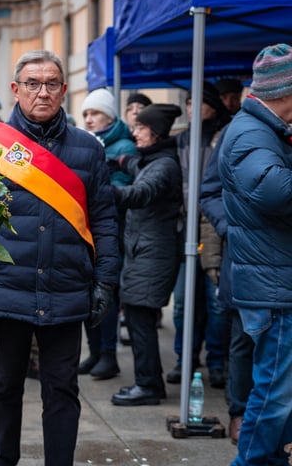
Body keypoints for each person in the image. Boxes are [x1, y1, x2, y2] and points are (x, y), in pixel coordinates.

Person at [0, 50, 120, 465]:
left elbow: (105, 219)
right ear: (16, 90)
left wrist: (106, 280)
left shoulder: (88, 148)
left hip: (66, 289)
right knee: (3, 387)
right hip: (6, 291)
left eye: (51, 83)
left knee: (62, 390)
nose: (43, 92)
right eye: (33, 84)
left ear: (64, 89)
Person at [219, 43, 292, 465]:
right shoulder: (251, 131)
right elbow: (275, 191)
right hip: (272, 286)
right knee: (273, 397)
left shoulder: (263, 129)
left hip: (275, 279)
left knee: (279, 396)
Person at [109, 104, 184, 406]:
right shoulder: (153, 160)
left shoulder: (164, 166)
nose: (134, 132)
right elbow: (136, 167)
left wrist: (102, 187)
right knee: (139, 317)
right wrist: (118, 160)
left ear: (155, 133)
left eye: (140, 128)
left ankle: (149, 385)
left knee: (140, 319)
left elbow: (139, 194)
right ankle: (147, 381)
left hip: (154, 255)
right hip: (145, 253)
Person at [167, 82, 231, 389]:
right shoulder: (179, 140)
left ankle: (217, 361)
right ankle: (185, 359)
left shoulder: (224, 137)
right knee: (182, 302)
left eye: (198, 103)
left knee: (216, 302)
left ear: (212, 105)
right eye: (188, 103)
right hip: (184, 231)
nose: (191, 108)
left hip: (214, 231)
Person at [79, 88, 138, 380]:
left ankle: (108, 354)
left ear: (109, 116)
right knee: (88, 292)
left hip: (112, 227)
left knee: (107, 294)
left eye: (95, 113)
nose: (89, 119)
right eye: (86, 114)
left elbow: (121, 185)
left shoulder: (123, 146)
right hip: (86, 228)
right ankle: (94, 352)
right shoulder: (89, 142)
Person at [200, 130, 252, 446]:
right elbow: (210, 192)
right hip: (245, 257)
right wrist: (231, 228)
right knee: (243, 341)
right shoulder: (239, 131)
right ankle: (240, 413)